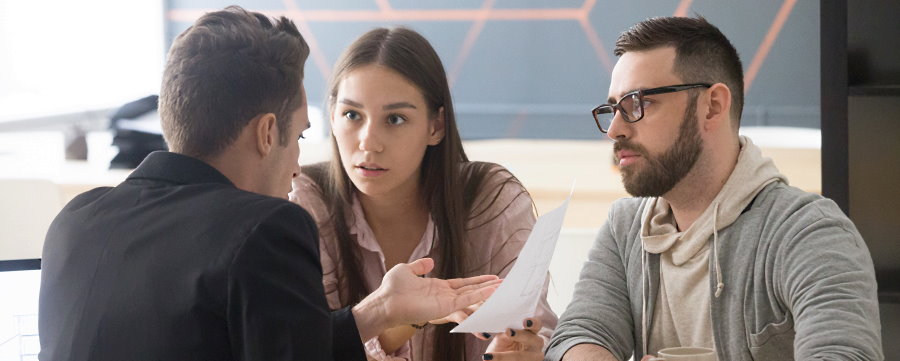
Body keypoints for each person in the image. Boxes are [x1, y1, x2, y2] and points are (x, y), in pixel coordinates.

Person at [38, 7, 499, 361]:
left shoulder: (76, 220)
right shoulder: (265, 228)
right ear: (265, 134)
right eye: (297, 136)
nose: (298, 166)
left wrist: (380, 311)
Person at [545, 16, 883, 361]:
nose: (614, 129)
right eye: (614, 108)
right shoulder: (626, 227)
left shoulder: (809, 231)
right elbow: (581, 332)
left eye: (639, 103)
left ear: (713, 106)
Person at [289, 27, 557, 361]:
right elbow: (304, 349)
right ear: (331, 116)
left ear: (436, 127)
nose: (368, 142)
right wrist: (400, 318)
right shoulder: (303, 204)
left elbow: (537, 329)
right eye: (352, 115)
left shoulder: (491, 198)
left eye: (395, 118)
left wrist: (526, 350)